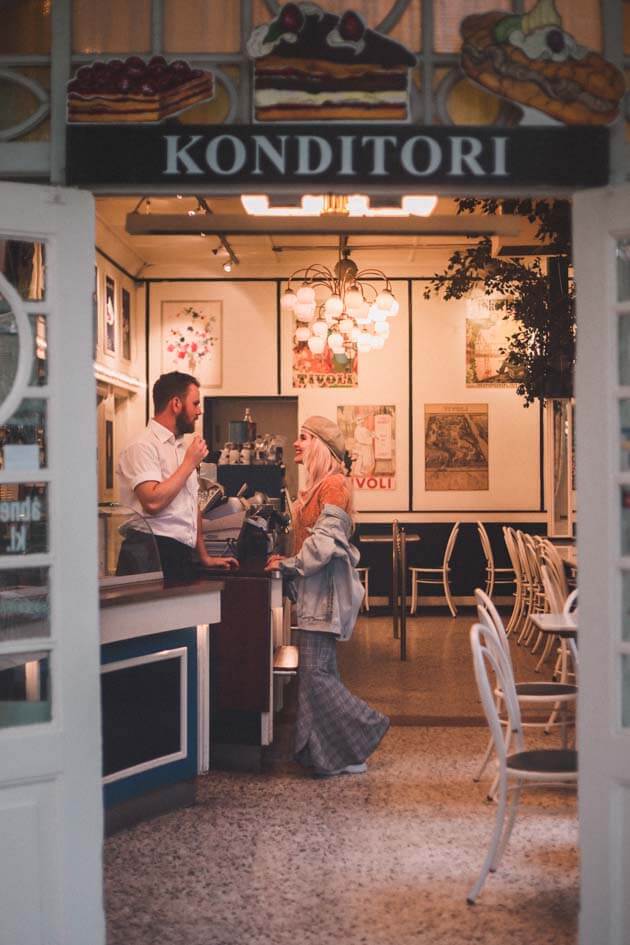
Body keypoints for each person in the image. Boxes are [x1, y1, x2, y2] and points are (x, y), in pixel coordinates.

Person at [266, 415, 389, 777]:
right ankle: (332, 755)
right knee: (317, 675)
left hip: (324, 596)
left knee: (315, 675)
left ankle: (369, 726)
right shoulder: (320, 486)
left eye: (304, 437)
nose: (296, 443)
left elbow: (322, 545)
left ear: (320, 444)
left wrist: (289, 564)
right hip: (313, 593)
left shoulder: (334, 486)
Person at [117, 371, 238, 582]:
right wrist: (190, 463)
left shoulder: (180, 448)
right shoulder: (142, 446)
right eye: (195, 404)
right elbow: (152, 502)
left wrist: (204, 557)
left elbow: (192, 507)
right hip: (150, 552)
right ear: (176, 404)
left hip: (181, 553)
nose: (199, 411)